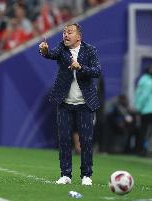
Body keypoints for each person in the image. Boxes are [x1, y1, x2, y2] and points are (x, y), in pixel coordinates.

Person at [39, 23, 101, 185]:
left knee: (86, 140)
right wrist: (44, 51)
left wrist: (80, 67)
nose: (65, 35)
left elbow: (97, 71)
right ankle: (65, 174)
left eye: (70, 32)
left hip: (85, 103)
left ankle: (86, 175)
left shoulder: (90, 50)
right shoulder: (61, 49)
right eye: (64, 32)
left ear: (78, 36)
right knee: (64, 140)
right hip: (65, 102)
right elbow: (50, 54)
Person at [134, 65, 152, 156]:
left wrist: (138, 107)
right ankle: (143, 150)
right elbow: (144, 96)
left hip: (144, 110)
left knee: (143, 130)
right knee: (147, 131)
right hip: (147, 110)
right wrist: (139, 108)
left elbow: (139, 95)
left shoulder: (143, 80)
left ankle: (142, 149)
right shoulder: (149, 82)